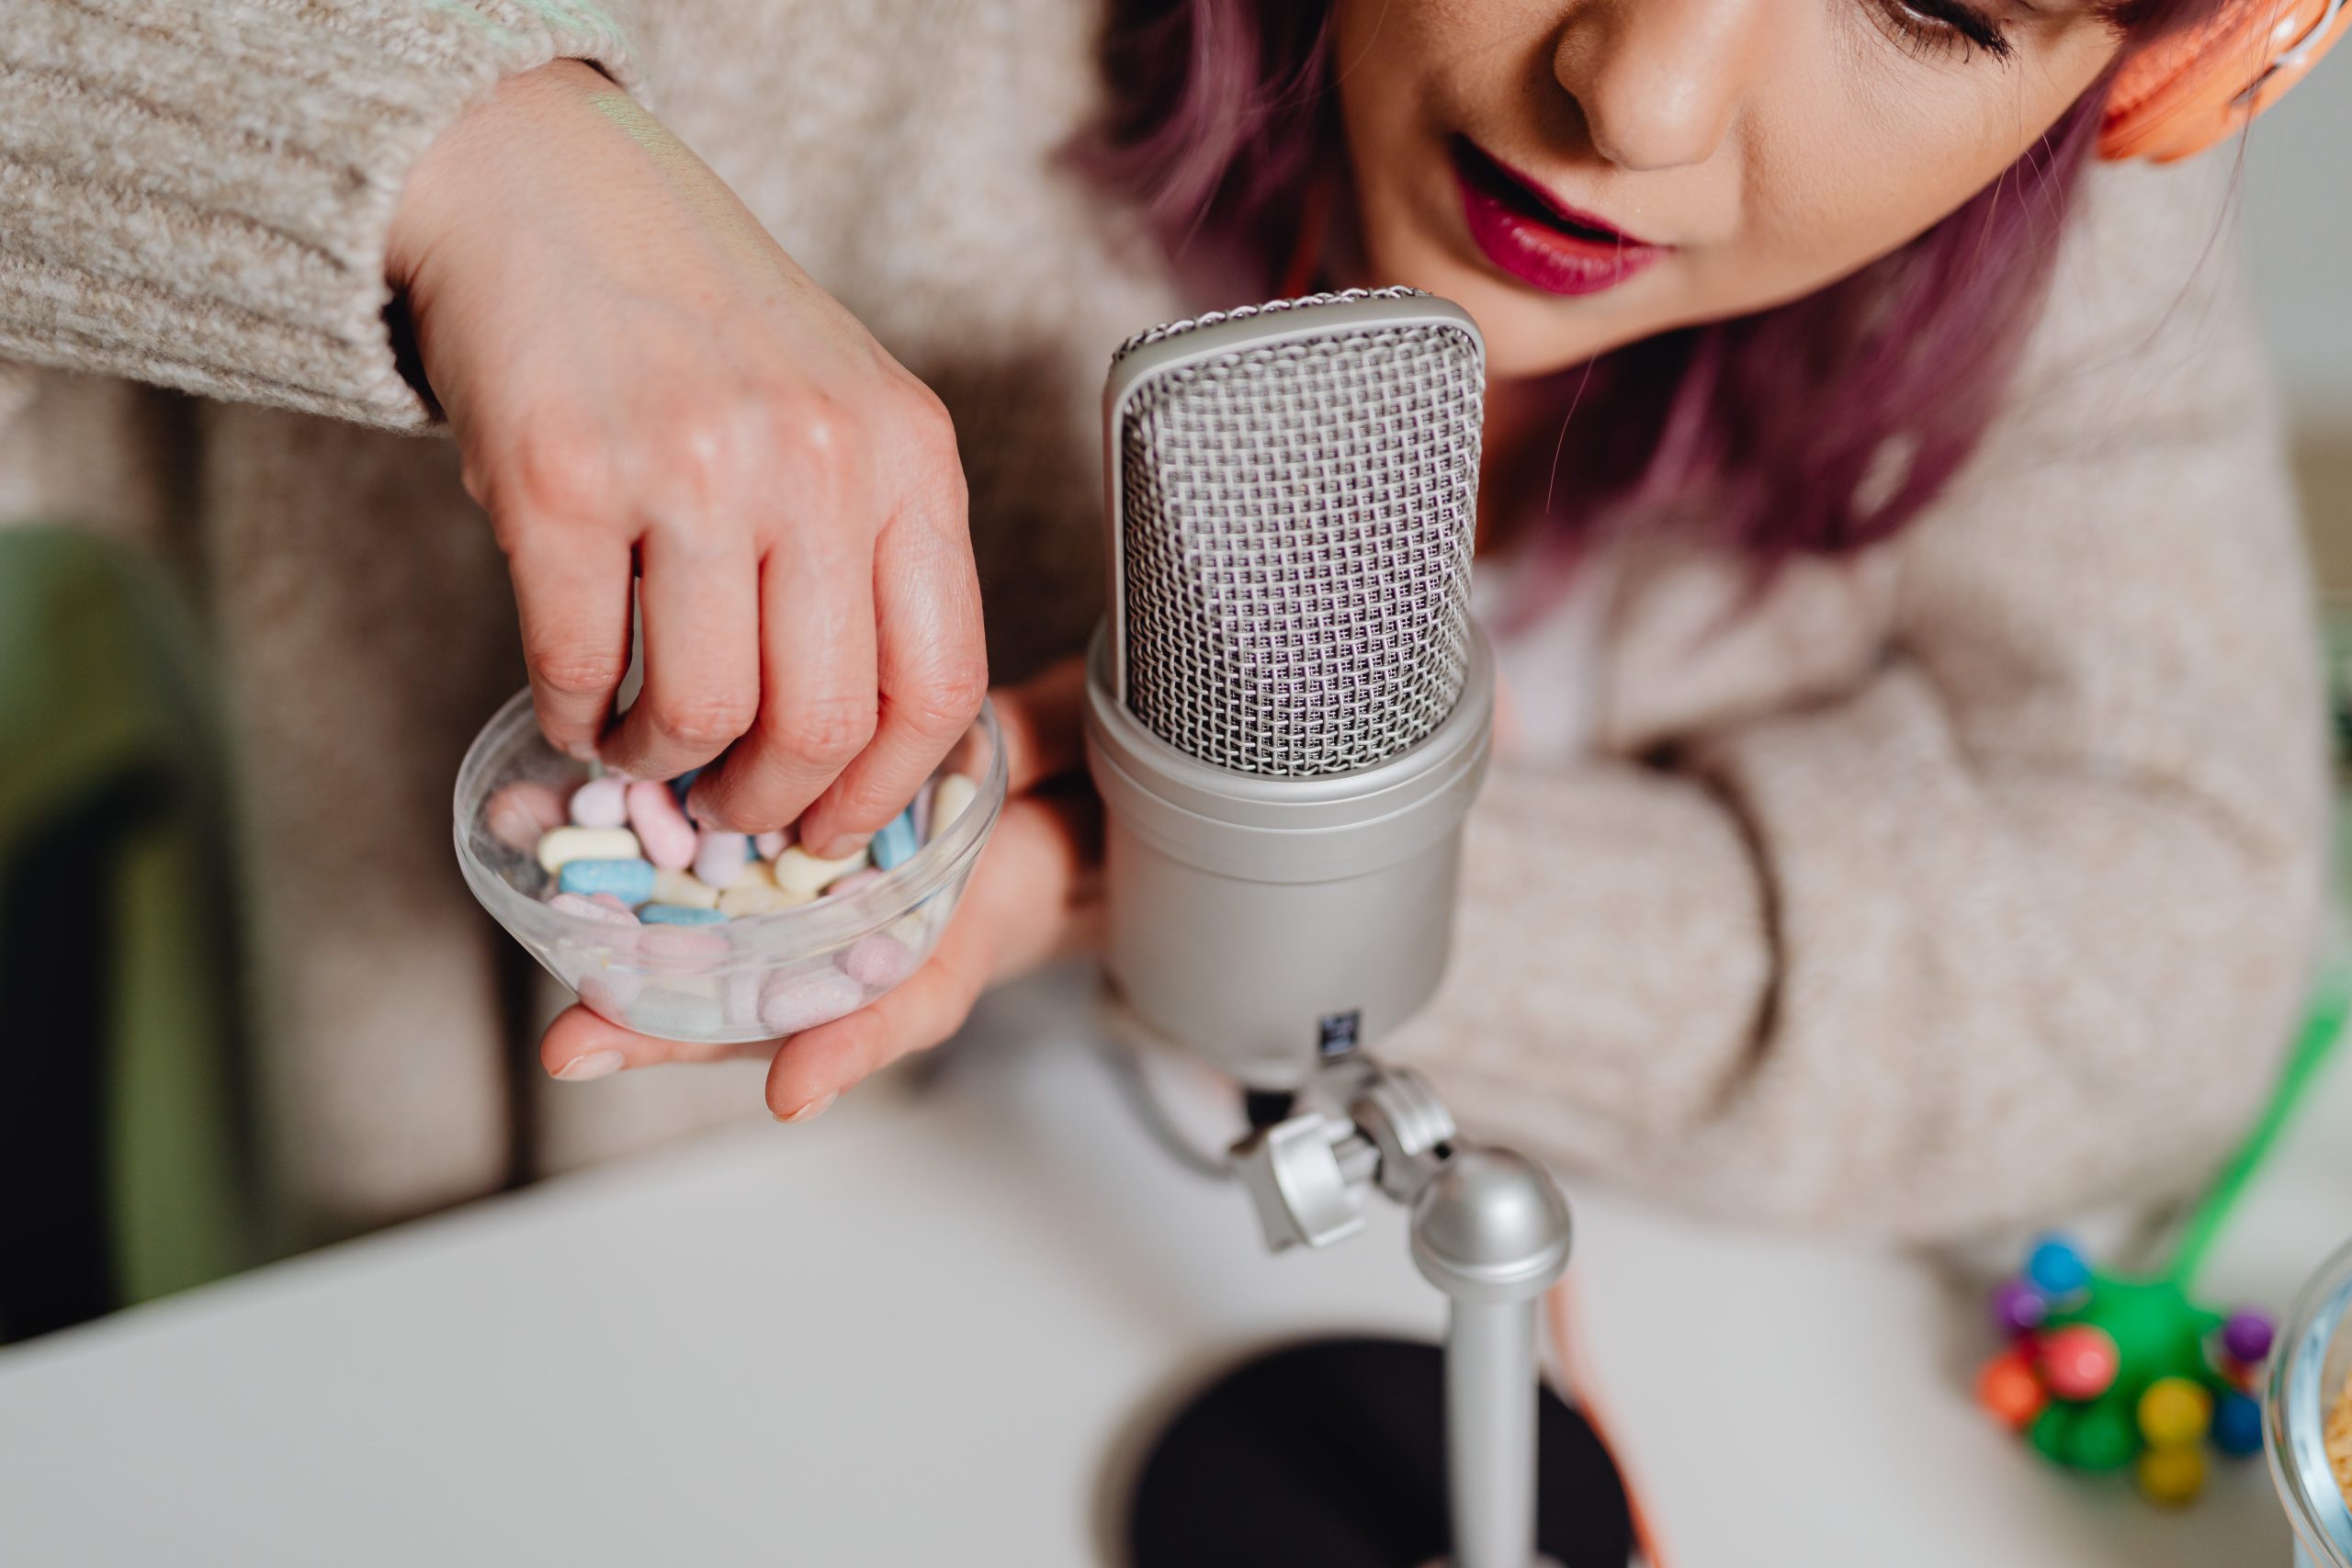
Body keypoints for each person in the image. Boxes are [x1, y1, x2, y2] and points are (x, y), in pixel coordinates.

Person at [0, 0, 2331, 1246]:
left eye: (1925, 1)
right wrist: (452, 156)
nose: (1639, 83)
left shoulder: (2064, 239)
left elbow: (2179, 942)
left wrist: (1200, 866)